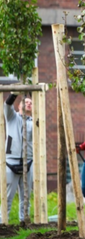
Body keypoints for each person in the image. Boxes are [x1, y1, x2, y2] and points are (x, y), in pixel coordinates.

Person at [1, 93, 33, 224]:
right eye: (25, 102)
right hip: (11, 161)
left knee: (26, 197)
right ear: (19, 106)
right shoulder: (12, 117)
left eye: (31, 103)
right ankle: (2, 222)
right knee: (8, 196)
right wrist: (14, 92)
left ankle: (24, 221)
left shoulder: (35, 122)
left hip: (28, 161)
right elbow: (7, 105)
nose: (28, 104)